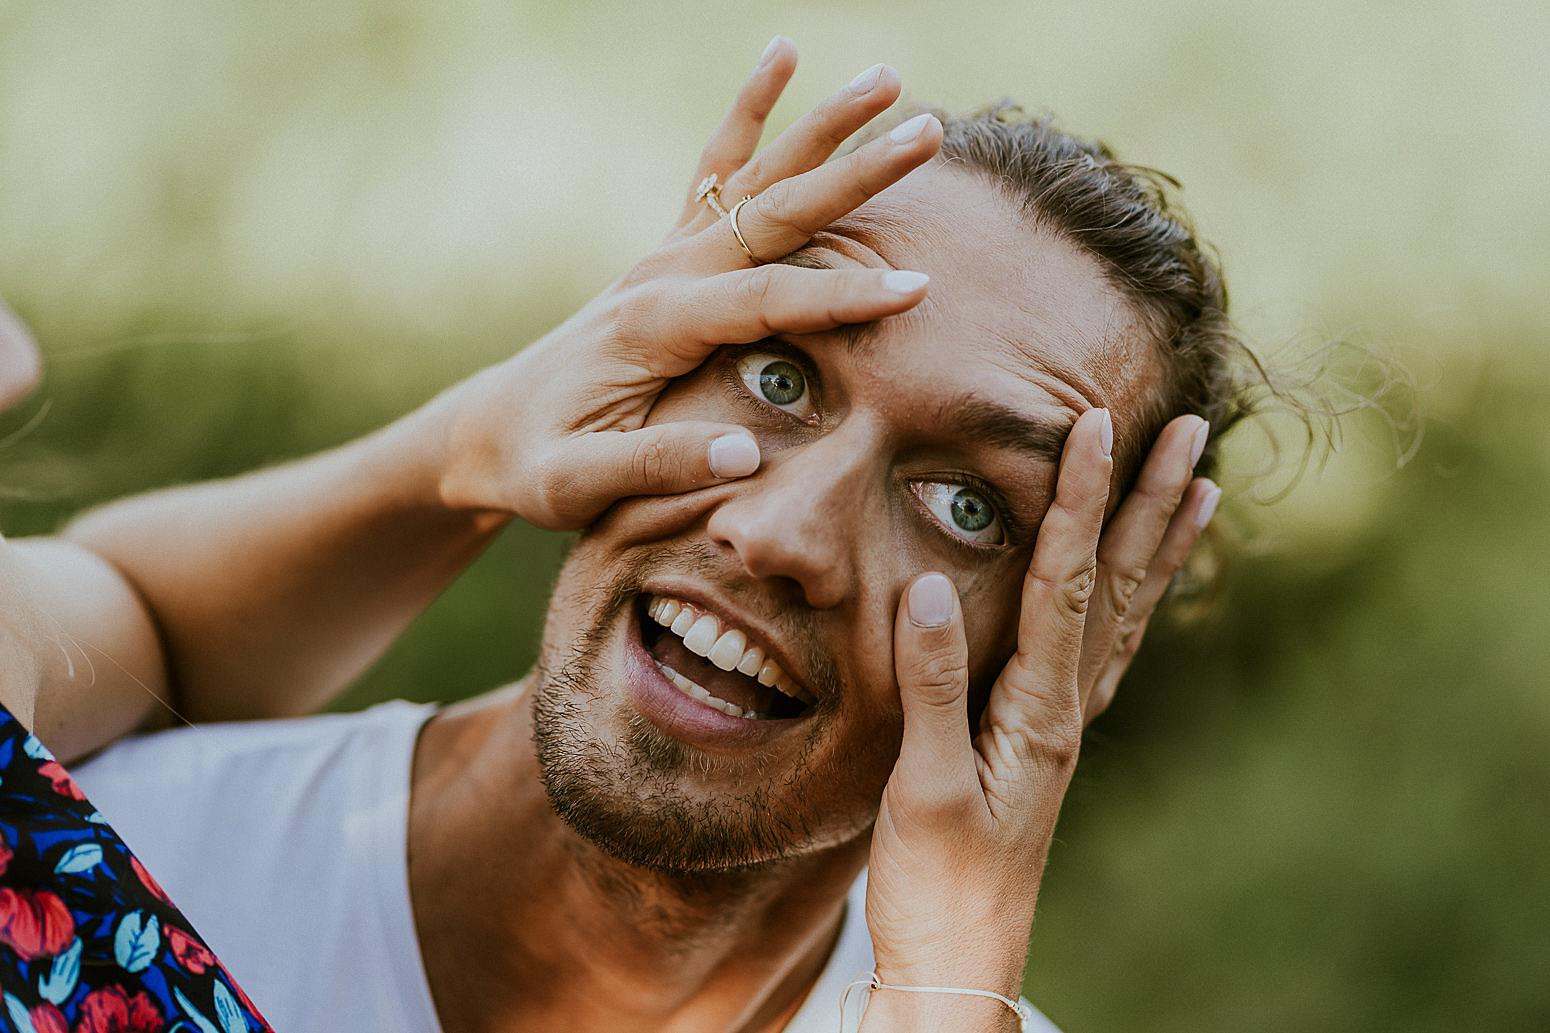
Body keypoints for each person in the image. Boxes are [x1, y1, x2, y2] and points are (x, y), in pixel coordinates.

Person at [7, 39, 1243, 1033]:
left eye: (967, 507)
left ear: (1073, 646)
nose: (778, 533)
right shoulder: (96, 847)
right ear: (634, 366)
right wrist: (472, 442)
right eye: (774, 377)